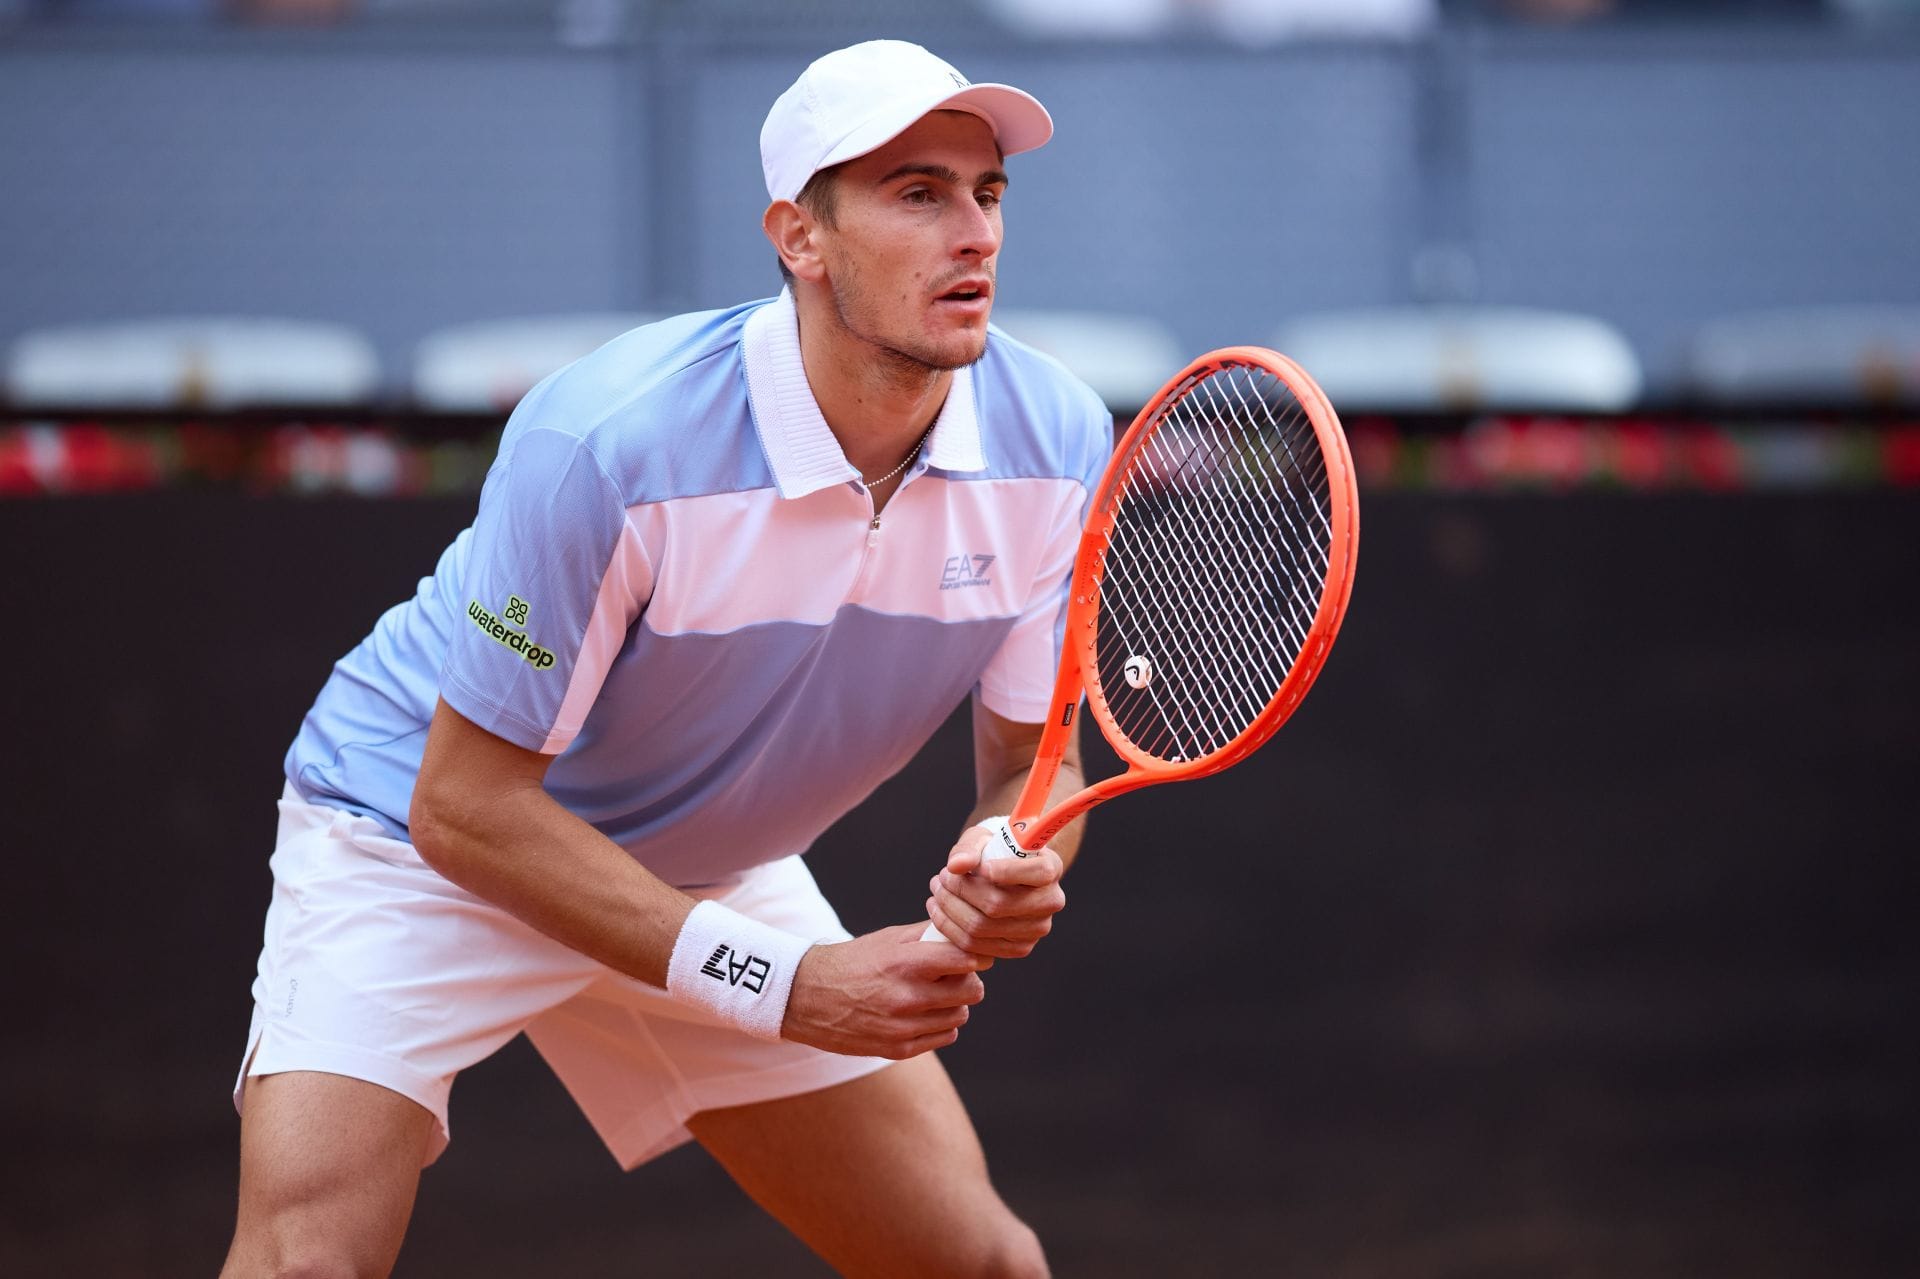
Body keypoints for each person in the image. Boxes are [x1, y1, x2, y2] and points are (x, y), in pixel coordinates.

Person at [221, 39, 1116, 1279]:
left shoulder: (1057, 439)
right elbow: (464, 806)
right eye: (918, 194)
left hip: (710, 866)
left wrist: (1015, 850)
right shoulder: (609, 440)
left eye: (989, 193)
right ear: (801, 238)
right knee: (306, 1261)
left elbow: (1036, 756)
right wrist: (784, 983)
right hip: (421, 838)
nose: (975, 233)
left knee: (978, 1266)